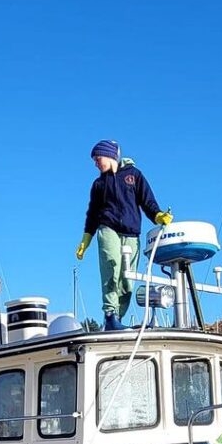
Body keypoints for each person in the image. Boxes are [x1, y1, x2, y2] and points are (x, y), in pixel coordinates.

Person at [77, 139, 172, 330]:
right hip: (108, 228)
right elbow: (92, 213)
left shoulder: (134, 176)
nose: (96, 163)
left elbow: (147, 201)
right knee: (111, 268)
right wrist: (86, 238)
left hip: (131, 234)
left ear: (110, 155)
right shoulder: (98, 184)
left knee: (127, 280)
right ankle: (110, 314)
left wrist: (158, 215)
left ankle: (118, 318)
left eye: (98, 158)